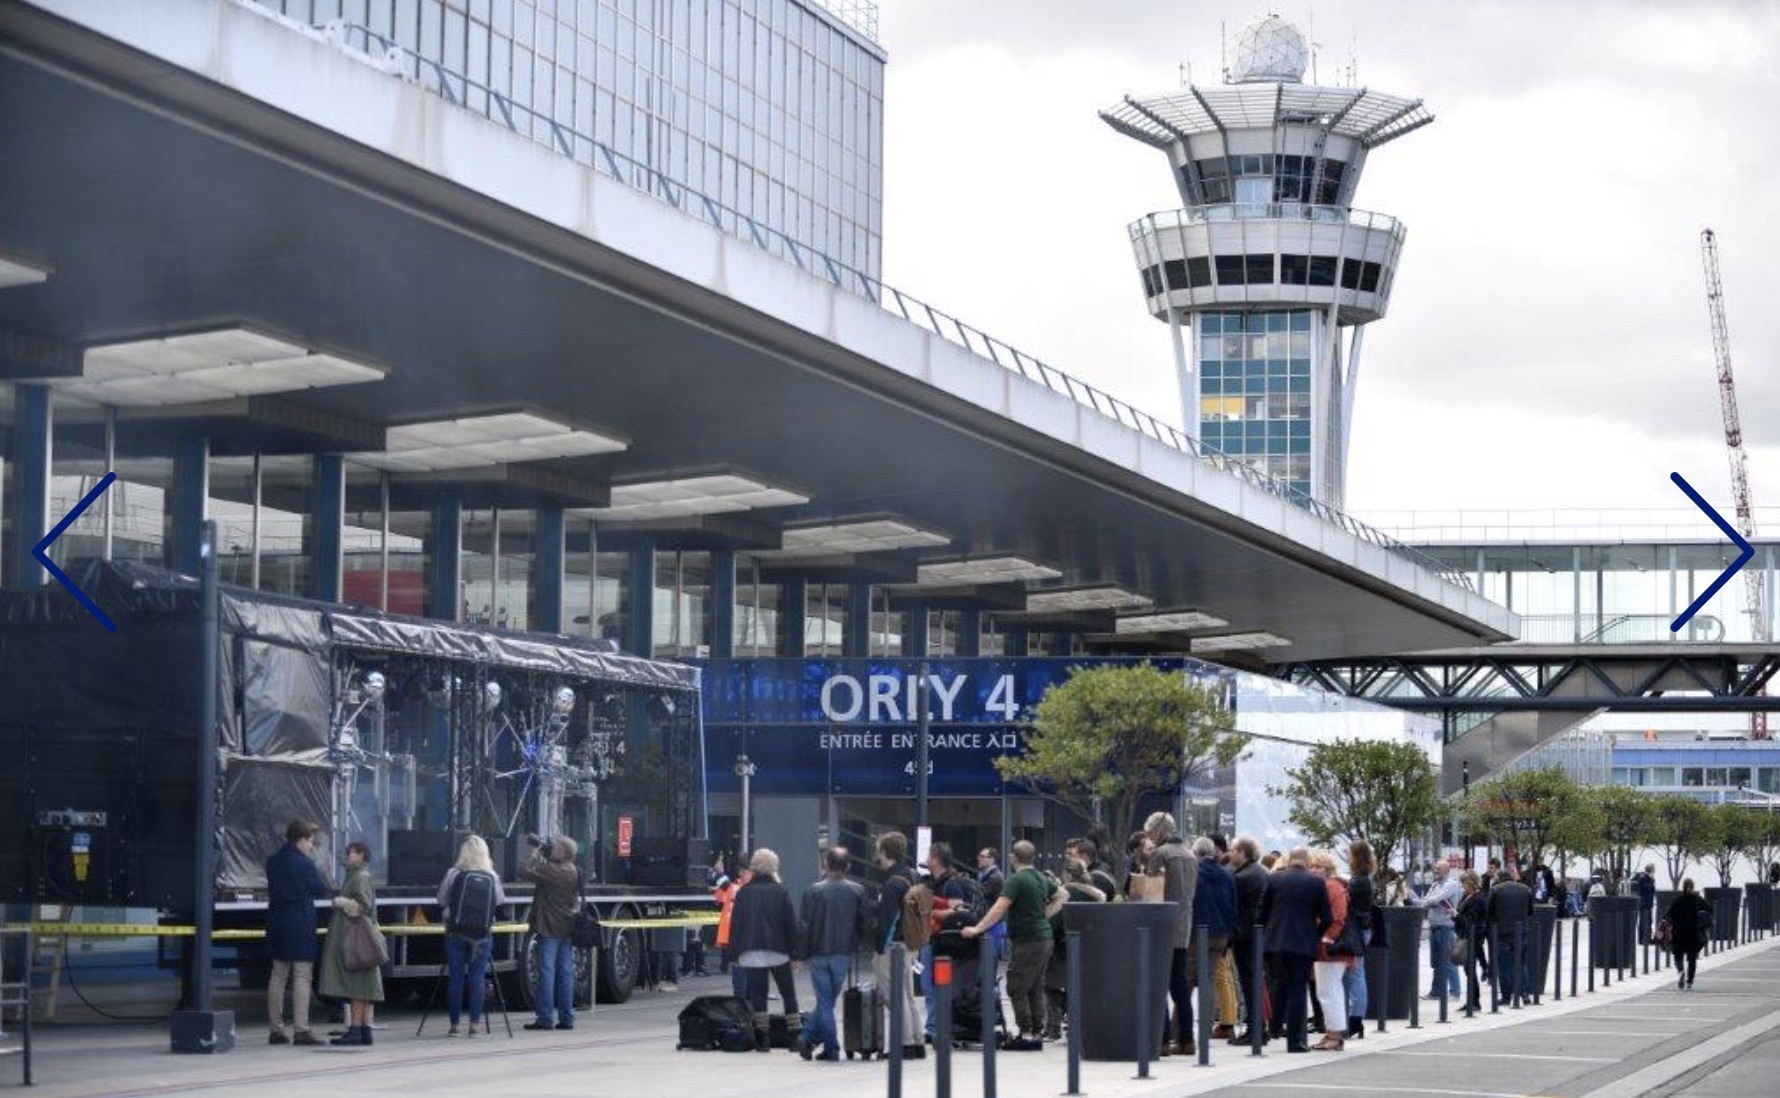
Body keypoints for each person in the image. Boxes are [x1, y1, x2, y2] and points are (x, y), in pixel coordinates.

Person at [964, 839, 1065, 1050]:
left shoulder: (1016, 880)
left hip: (1028, 940)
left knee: (1016, 986)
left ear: (1013, 857)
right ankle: (1037, 1032)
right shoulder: (1039, 877)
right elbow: (1063, 895)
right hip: (1043, 938)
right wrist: (1044, 916)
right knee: (1035, 986)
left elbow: (1000, 907)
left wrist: (978, 928)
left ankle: (1026, 1033)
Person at [795, 846, 868, 1062]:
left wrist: (800, 955)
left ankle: (817, 1041)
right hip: (843, 953)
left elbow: (804, 926)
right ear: (848, 867)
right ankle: (820, 1042)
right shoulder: (857, 890)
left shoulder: (812, 891)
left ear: (826, 865)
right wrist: (858, 943)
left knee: (825, 1001)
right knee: (828, 1001)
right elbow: (863, 922)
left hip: (819, 952)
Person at [1257, 847, 1331, 1054]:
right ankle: (1295, 1042)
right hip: (1302, 943)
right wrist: (1314, 934)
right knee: (1298, 989)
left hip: (1274, 942)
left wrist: (1267, 932)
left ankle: (1274, 1027)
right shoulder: (1316, 883)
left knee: (1278, 985)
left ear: (1289, 860)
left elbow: (1261, 913)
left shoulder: (1273, 879)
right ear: (1307, 862)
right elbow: (1327, 918)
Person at [265, 820, 331, 1046]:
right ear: (301, 839)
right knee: (302, 975)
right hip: (300, 923)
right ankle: (301, 1030)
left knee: (278, 975)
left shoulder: (272, 862)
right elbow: (320, 890)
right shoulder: (305, 864)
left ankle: (276, 1030)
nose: (312, 846)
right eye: (311, 841)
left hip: (277, 921)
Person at [727, 848, 800, 1050]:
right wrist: (796, 953)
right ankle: (794, 1037)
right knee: (788, 994)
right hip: (778, 950)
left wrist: (733, 953)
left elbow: (737, 924)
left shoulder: (744, 893)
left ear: (754, 868)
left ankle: (762, 1039)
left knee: (759, 995)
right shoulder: (781, 892)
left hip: (752, 952)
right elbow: (790, 925)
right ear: (773, 867)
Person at [437, 835, 507, 1036]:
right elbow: (500, 901)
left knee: (456, 979)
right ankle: (475, 1025)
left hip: (456, 931)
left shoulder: (453, 873)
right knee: (477, 978)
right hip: (482, 934)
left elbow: (442, 899)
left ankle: (454, 1026)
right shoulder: (491, 876)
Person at [1143, 812, 1200, 1057]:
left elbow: (1150, 890)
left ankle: (1162, 1039)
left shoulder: (1161, 854)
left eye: (1150, 832)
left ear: (1159, 831)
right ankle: (1187, 1039)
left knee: (1158, 983)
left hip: (1161, 926)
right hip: (1183, 925)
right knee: (1179, 985)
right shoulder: (1190, 854)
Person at [318, 840, 383, 1046]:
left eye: (350, 853)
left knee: (357, 985)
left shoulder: (359, 877)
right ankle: (364, 1030)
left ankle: (356, 1029)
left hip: (358, 940)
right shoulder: (358, 875)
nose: (347, 856)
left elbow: (363, 906)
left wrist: (341, 902)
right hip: (362, 939)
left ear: (361, 854)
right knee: (364, 985)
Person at [871, 832, 925, 1059]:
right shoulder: (913, 875)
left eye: (878, 851)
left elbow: (888, 919)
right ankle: (916, 1042)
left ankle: (902, 1045)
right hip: (912, 944)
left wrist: (880, 946)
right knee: (907, 994)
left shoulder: (893, 883)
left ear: (885, 852)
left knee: (893, 994)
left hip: (894, 945)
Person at [919, 843, 979, 1043]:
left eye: (929, 855)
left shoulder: (950, 883)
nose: (926, 859)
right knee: (928, 985)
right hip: (932, 938)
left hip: (941, 941)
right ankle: (933, 1026)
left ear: (936, 859)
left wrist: (933, 912)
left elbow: (957, 910)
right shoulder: (934, 882)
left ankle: (935, 1028)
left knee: (933, 985)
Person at [521, 834, 581, 1031]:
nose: (552, 848)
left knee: (546, 972)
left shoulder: (552, 870)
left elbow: (524, 871)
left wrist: (534, 851)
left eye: (555, 847)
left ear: (563, 851)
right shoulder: (573, 870)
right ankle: (567, 1017)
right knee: (565, 972)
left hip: (548, 927)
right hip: (567, 926)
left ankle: (545, 1018)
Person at [1044, 859, 1105, 1039]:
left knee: (1050, 986)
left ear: (1067, 874)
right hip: (1089, 947)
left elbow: (1055, 921)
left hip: (1063, 947)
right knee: (1076, 987)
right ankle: (1076, 1026)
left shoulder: (1067, 893)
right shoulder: (1096, 895)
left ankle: (1053, 1028)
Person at [1191, 836, 1239, 1041]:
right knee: (1209, 979)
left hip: (1198, 933)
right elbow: (1233, 905)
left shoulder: (1196, 874)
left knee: (1187, 981)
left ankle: (1182, 1032)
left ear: (1197, 854)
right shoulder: (1227, 875)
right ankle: (1206, 1027)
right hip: (1221, 934)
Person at [1225, 835, 1268, 1044]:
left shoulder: (1242, 877)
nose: (1230, 854)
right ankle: (1259, 1026)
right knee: (1255, 981)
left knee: (1248, 982)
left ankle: (1255, 1028)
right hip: (1258, 934)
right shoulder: (1261, 872)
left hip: (1245, 935)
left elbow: (1234, 908)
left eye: (1233, 850)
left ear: (1242, 852)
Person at [1308, 851, 1352, 1052]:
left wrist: (1326, 939)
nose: (1314, 869)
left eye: (1319, 866)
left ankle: (1334, 1034)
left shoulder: (1332, 887)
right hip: (1328, 947)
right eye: (1313, 866)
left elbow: (1338, 918)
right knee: (1327, 991)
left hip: (1330, 948)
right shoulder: (1330, 886)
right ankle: (1331, 1032)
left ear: (1328, 869)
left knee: (1328, 991)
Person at [1407, 861, 1462, 1001]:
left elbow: (1436, 899)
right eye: (1435, 869)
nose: (1435, 871)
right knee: (1437, 962)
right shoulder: (1435, 885)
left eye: (1438, 869)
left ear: (1446, 870)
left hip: (1446, 927)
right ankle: (1436, 992)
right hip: (1435, 927)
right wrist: (1412, 897)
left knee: (1449, 961)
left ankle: (1455, 992)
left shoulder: (1451, 884)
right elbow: (1424, 903)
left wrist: (1428, 901)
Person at [1341, 840, 1375, 1040]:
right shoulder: (1362, 878)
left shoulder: (1359, 880)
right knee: (1353, 974)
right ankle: (1353, 1020)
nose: (1346, 855)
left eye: (1349, 852)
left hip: (1356, 930)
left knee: (1355, 974)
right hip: (1361, 929)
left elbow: (1349, 904)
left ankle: (1356, 1020)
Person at [1485, 867, 1534, 1007]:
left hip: (1502, 932)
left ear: (1499, 878)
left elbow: (1489, 912)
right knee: (1521, 963)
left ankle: (1506, 996)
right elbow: (1531, 911)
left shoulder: (1495, 890)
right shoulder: (1525, 889)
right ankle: (1524, 994)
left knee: (1504, 965)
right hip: (1521, 931)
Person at [1665, 879, 1713, 990]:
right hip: (1693, 933)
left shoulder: (1678, 900)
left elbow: (1668, 914)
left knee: (1678, 956)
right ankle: (1690, 981)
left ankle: (1681, 971)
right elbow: (1710, 909)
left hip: (1678, 933)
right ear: (1692, 886)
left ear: (1683, 887)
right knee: (1692, 959)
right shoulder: (1697, 899)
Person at [1453, 870, 1486, 1011]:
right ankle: (1471, 1001)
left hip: (1473, 937)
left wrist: (1457, 915)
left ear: (1471, 883)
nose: (1462, 886)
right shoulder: (1467, 896)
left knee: (1470, 969)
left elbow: (1470, 920)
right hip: (1465, 935)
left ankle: (1474, 1002)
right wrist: (1455, 915)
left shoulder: (1478, 898)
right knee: (1468, 970)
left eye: (1464, 883)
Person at [1632, 864, 1657, 945]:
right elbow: (1644, 890)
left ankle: (1647, 938)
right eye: (1653, 871)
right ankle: (1643, 939)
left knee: (1649, 921)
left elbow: (1652, 891)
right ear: (1650, 871)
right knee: (1644, 921)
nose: (1654, 872)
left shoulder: (1649, 879)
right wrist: (1651, 881)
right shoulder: (1643, 879)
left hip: (1648, 904)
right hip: (1644, 904)